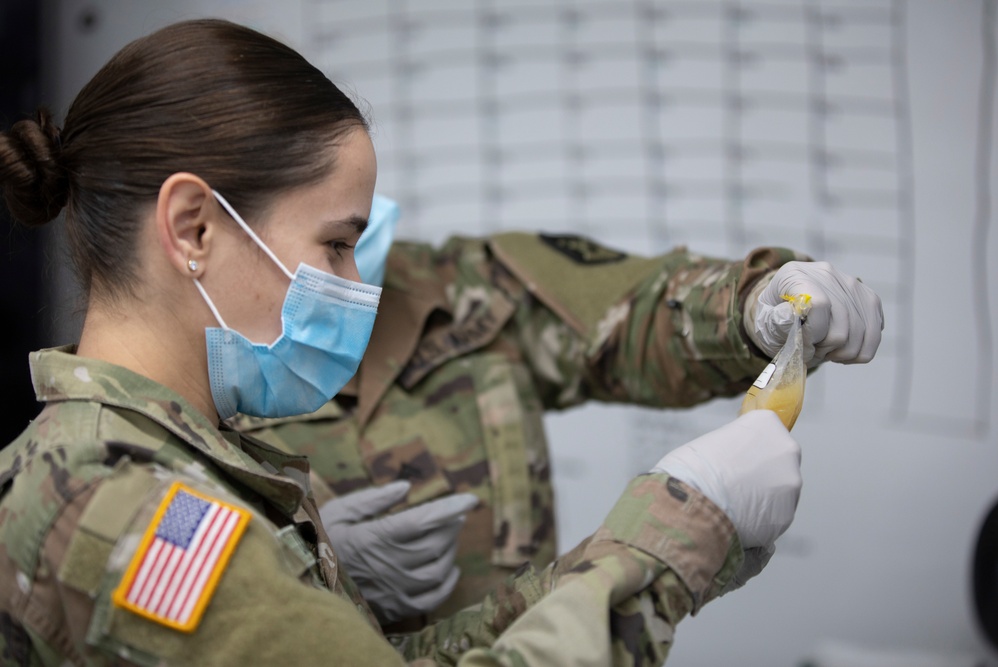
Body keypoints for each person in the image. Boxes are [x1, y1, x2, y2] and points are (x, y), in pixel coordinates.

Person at [0, 18, 809, 666]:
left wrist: (666, 539)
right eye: (336, 244)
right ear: (195, 228)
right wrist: (674, 525)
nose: (359, 282)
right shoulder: (135, 515)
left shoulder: (161, 462)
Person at [233, 202, 884, 625]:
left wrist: (751, 307)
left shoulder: (468, 288)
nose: (355, 256)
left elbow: (635, 313)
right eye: (332, 236)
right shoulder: (193, 376)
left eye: (360, 225)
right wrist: (302, 569)